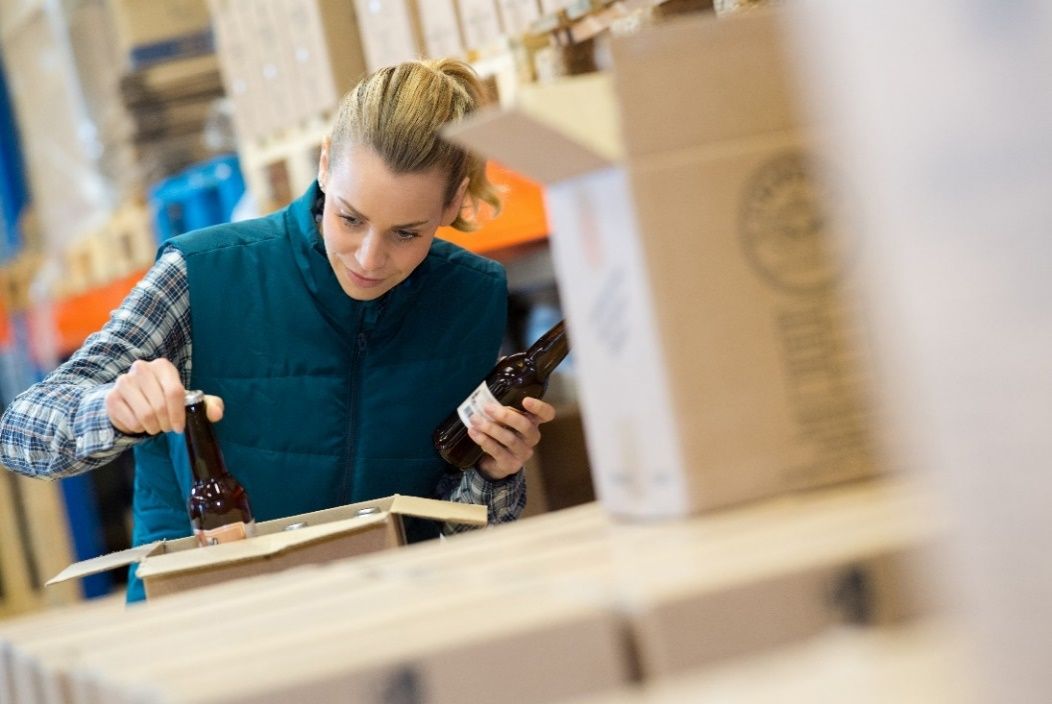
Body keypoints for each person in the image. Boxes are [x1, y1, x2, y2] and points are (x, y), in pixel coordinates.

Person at [0, 59, 556, 602]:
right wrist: (111, 410)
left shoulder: (470, 298)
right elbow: (18, 434)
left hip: (382, 626)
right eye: (350, 218)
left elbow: (462, 531)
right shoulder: (201, 275)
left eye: (406, 234)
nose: (369, 257)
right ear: (323, 164)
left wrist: (493, 472)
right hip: (202, 630)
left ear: (453, 203)